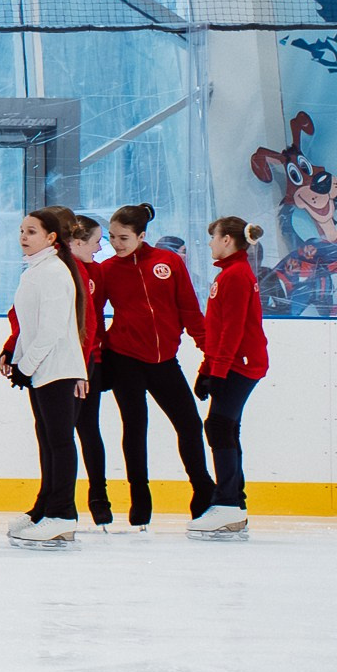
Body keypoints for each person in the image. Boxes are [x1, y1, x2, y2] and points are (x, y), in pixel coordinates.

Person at [93, 202, 216, 529]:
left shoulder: (169, 262)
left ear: (142, 235)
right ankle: (140, 496)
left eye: (123, 238)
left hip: (164, 362)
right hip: (124, 360)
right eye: (111, 237)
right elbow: (93, 316)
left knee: (189, 424)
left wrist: (210, 355)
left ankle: (203, 490)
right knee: (135, 427)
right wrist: (99, 355)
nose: (116, 244)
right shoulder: (107, 270)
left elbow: (189, 310)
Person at [0, 207, 90, 549]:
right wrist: (19, 361)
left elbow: (51, 329)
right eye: (22, 230)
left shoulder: (52, 272)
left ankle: (62, 515)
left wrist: (27, 365)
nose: (24, 236)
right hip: (43, 370)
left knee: (60, 441)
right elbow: (29, 326)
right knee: (49, 441)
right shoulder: (37, 270)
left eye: (32, 231)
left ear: (51, 238)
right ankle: (45, 509)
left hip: (57, 369)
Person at [191, 217, 268, 540]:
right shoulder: (230, 273)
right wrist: (207, 369)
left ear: (227, 240)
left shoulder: (236, 275)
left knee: (219, 426)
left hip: (241, 364)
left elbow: (233, 329)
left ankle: (227, 504)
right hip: (235, 363)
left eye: (214, 237)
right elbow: (218, 328)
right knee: (224, 426)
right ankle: (233, 501)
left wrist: (218, 371)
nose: (210, 243)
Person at [64, 212, 116, 529]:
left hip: (89, 362)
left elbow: (96, 319)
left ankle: (99, 498)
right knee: (61, 435)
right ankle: (62, 501)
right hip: (64, 365)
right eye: (96, 242)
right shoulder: (60, 271)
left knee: (88, 429)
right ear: (77, 242)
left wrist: (100, 356)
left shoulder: (95, 271)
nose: (99, 248)